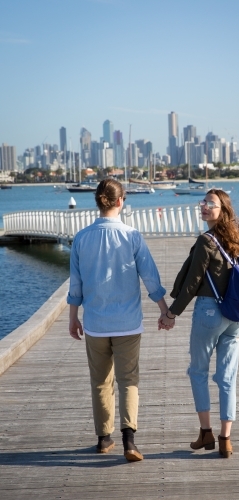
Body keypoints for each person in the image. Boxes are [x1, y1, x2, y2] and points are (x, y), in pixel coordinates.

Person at [68, 178, 171, 462]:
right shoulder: (132, 236)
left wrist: (73, 318)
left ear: (98, 201)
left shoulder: (81, 238)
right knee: (129, 380)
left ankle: (103, 439)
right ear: (120, 201)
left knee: (100, 381)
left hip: (95, 324)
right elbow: (150, 277)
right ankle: (129, 441)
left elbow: (75, 285)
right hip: (128, 323)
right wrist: (164, 310)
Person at [159, 189, 239, 458]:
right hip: (235, 316)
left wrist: (171, 314)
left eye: (212, 204)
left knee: (198, 371)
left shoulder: (206, 241)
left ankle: (206, 431)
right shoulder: (235, 239)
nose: (205, 207)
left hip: (209, 312)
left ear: (223, 210)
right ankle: (226, 439)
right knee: (227, 377)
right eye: (204, 202)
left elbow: (192, 283)